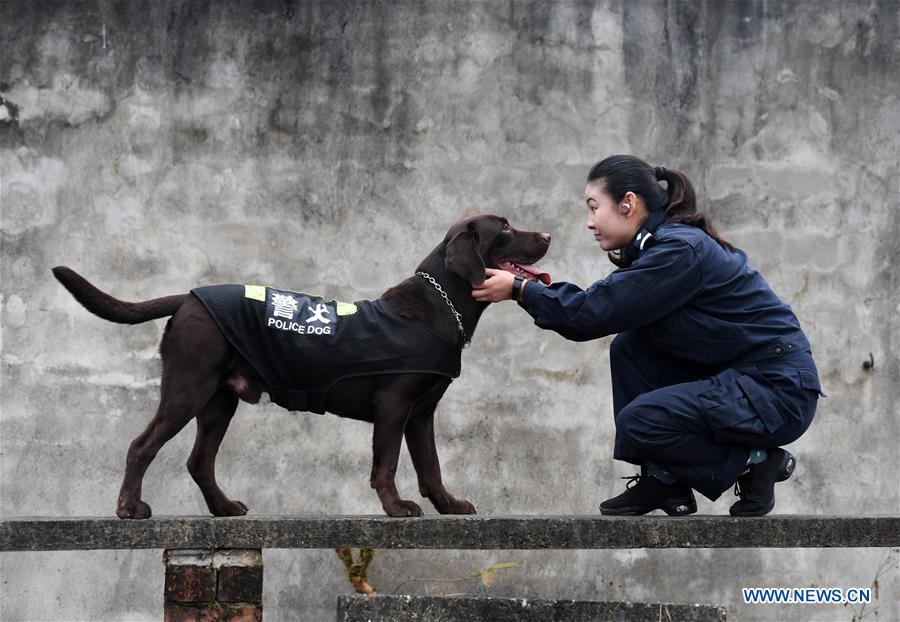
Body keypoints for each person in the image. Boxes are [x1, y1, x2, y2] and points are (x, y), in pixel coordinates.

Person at [472, 155, 822, 516]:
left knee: (641, 422)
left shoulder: (677, 251)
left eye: (594, 208)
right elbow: (604, 308)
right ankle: (664, 481)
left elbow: (591, 313)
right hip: (750, 382)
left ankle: (756, 462)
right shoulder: (662, 246)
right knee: (632, 347)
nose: (589, 222)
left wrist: (521, 289)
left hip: (777, 392)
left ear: (628, 203)